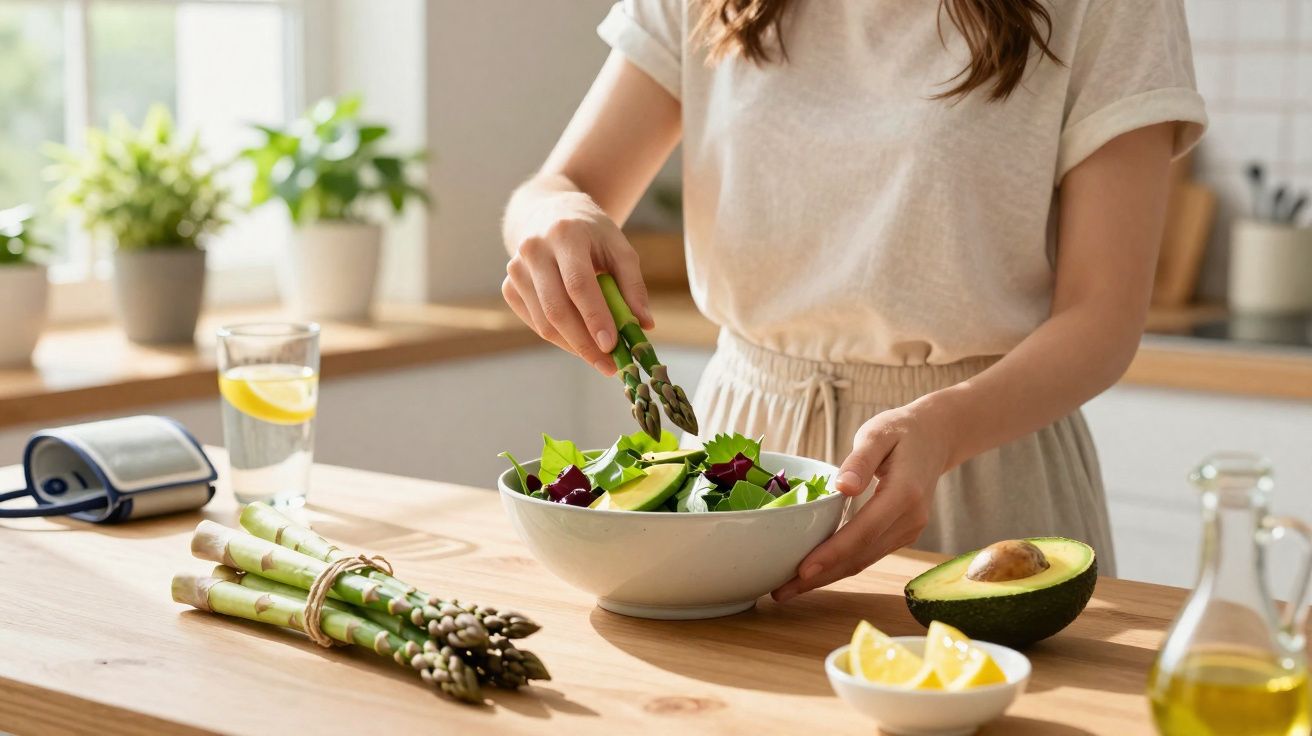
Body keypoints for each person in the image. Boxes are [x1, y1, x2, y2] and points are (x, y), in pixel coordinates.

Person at [500, 0, 1206, 601]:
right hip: (738, 454)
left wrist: (946, 429)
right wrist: (549, 217)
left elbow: (1103, 318)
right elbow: (557, 187)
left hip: (978, 466)